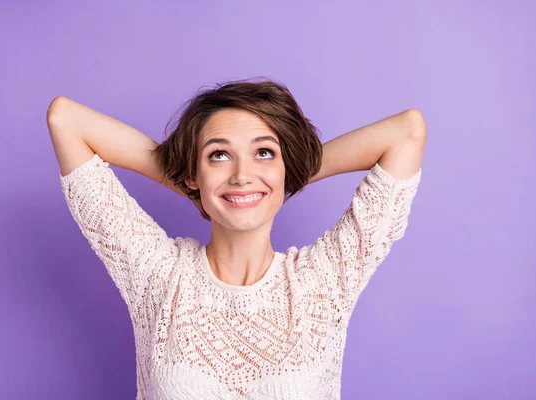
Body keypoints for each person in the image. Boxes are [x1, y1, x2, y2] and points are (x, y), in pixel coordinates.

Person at [46, 78, 426, 400]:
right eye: (218, 156)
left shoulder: (324, 281)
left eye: (263, 152)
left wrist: (280, 179)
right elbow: (66, 120)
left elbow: (406, 132)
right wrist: (194, 182)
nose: (242, 174)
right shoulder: (159, 275)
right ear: (194, 172)